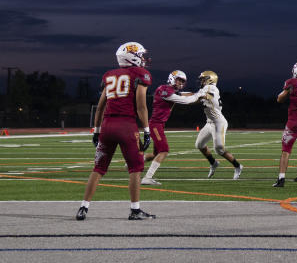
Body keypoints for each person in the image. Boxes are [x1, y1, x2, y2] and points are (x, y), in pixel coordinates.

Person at [76, 42, 155, 221]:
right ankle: (135, 210)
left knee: (98, 169)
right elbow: (141, 106)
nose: (143, 59)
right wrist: (147, 130)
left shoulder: (109, 75)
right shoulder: (140, 74)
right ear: (132, 56)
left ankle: (83, 208)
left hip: (107, 126)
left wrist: (96, 131)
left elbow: (100, 107)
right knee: (135, 169)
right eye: (141, 55)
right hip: (126, 126)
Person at [141, 70, 203, 185]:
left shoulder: (169, 90)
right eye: (179, 80)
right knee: (164, 151)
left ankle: (134, 162)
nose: (180, 83)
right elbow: (185, 100)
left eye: (182, 81)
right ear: (172, 78)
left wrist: (199, 93)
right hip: (156, 124)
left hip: (159, 124)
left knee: (156, 153)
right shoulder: (164, 90)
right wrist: (200, 95)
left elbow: (185, 94)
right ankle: (147, 178)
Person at [194, 71, 242, 179]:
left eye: (203, 79)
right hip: (209, 123)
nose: (201, 81)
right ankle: (213, 163)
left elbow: (198, 97)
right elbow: (196, 97)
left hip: (218, 122)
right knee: (199, 145)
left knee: (219, 149)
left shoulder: (211, 88)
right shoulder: (205, 89)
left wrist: (180, 97)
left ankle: (238, 166)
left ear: (210, 79)